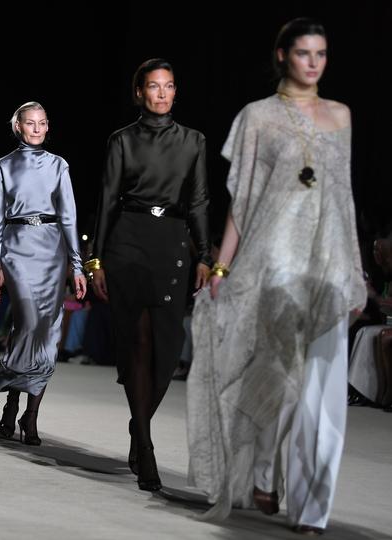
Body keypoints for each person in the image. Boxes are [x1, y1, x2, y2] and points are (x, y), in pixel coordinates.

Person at [187, 19, 366, 535]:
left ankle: (312, 509)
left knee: (323, 395)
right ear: (283, 55)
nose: (314, 62)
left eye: (322, 53)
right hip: (274, 263)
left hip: (328, 262)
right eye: (304, 53)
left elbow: (345, 199)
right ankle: (263, 469)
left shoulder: (342, 116)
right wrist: (222, 264)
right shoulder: (258, 118)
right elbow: (243, 199)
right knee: (273, 376)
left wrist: (355, 272)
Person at [89, 59, 211, 491]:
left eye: (169, 86)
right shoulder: (122, 140)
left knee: (168, 346)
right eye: (153, 87)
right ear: (138, 92)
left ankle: (138, 423)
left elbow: (198, 202)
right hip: (128, 241)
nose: (162, 94)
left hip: (173, 242)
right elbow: (106, 199)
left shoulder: (193, 141)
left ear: (176, 92)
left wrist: (206, 255)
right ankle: (146, 444)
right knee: (137, 343)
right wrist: (96, 259)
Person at [0, 101, 86, 445]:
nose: (37, 128)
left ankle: (30, 414)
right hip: (16, 249)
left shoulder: (59, 165)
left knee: (48, 331)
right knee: (29, 322)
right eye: (30, 123)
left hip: (52, 249)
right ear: (18, 127)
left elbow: (70, 216)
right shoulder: (3, 166)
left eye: (42, 123)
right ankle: (13, 396)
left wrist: (77, 265)